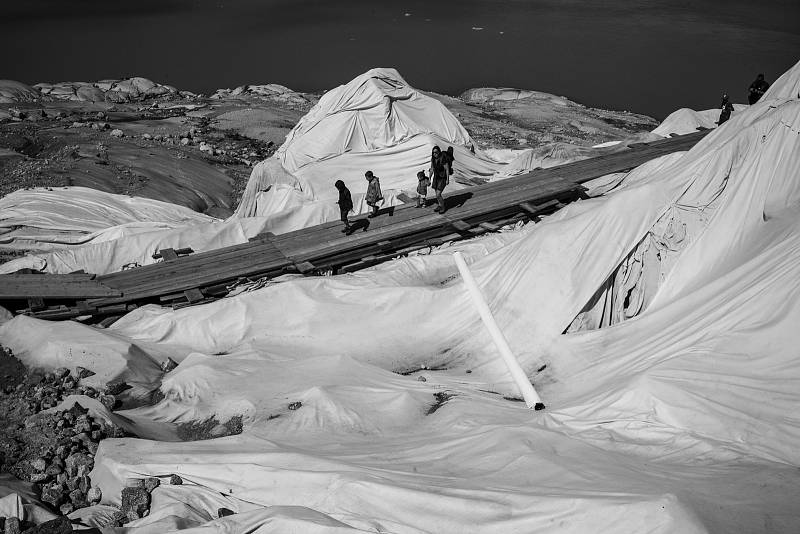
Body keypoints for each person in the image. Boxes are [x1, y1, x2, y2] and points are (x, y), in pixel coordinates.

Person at [429, 146, 449, 213]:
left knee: (438, 194)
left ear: (439, 152)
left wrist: (447, 179)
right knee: (436, 194)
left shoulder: (442, 158)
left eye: (436, 152)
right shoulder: (433, 159)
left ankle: (443, 207)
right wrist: (429, 178)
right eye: (433, 152)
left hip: (442, 178)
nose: (435, 154)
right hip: (436, 177)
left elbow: (447, 169)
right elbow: (431, 169)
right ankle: (440, 205)